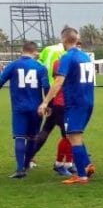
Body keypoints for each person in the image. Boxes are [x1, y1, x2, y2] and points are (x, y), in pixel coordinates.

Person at [37, 28, 96, 185]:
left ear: (63, 40)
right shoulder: (85, 57)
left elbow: (58, 81)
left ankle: (81, 175)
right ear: (77, 40)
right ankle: (87, 164)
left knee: (73, 137)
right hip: (88, 101)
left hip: (75, 103)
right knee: (72, 135)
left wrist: (45, 101)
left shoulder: (67, 57)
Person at [0, 41, 49, 178]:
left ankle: (20, 169)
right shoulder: (40, 67)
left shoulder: (13, 65)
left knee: (19, 137)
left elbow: (1, 81)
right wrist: (47, 104)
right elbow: (46, 87)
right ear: (35, 52)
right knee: (33, 138)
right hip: (36, 108)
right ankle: (27, 164)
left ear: (22, 50)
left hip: (19, 108)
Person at [31, 29, 73, 174]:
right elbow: (60, 78)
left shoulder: (49, 51)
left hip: (50, 93)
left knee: (48, 128)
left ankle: (27, 158)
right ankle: (63, 164)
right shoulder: (64, 57)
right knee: (67, 132)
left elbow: (39, 63)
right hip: (59, 96)